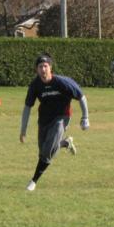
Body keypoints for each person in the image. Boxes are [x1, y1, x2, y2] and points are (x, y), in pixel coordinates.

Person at [20, 53, 89, 191]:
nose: (43, 69)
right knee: (44, 151)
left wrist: (85, 117)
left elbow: (81, 96)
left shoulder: (63, 82)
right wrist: (23, 129)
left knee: (47, 152)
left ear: (50, 67)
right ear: (36, 69)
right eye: (40, 67)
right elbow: (27, 106)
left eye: (45, 66)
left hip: (62, 117)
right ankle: (65, 143)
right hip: (44, 120)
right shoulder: (35, 85)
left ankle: (33, 181)